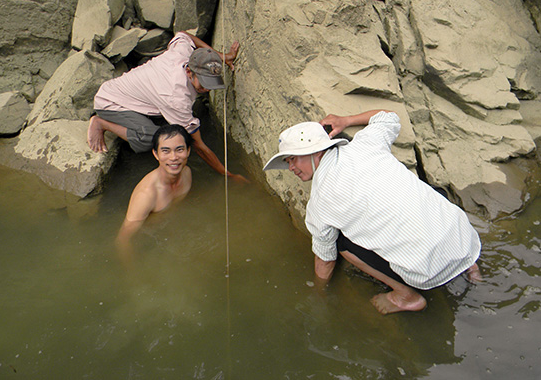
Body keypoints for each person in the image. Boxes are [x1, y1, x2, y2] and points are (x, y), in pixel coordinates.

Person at [263, 110, 482, 314]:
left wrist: (319, 293)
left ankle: (406, 297)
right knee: (433, 193)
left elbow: (325, 259)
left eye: (293, 159)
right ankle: (471, 267)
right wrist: (346, 120)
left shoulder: (320, 203)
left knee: (338, 243)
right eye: (288, 162)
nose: (291, 168)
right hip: (466, 240)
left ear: (315, 151)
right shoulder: (366, 143)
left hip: (427, 271)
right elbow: (388, 117)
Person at [87, 30, 247, 182]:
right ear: (189, 71)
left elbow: (184, 35)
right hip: (110, 102)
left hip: (131, 94)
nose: (207, 89)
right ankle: (100, 123)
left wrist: (223, 57)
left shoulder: (182, 53)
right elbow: (198, 145)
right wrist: (226, 174)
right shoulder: (175, 96)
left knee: (173, 123)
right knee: (154, 138)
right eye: (204, 83)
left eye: (211, 84)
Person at [115, 124, 193, 264]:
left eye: (179, 150)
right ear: (156, 154)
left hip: (169, 230)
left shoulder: (187, 173)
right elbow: (123, 240)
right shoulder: (147, 195)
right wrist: (133, 277)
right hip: (146, 240)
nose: (174, 157)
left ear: (188, 151)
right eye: (166, 151)